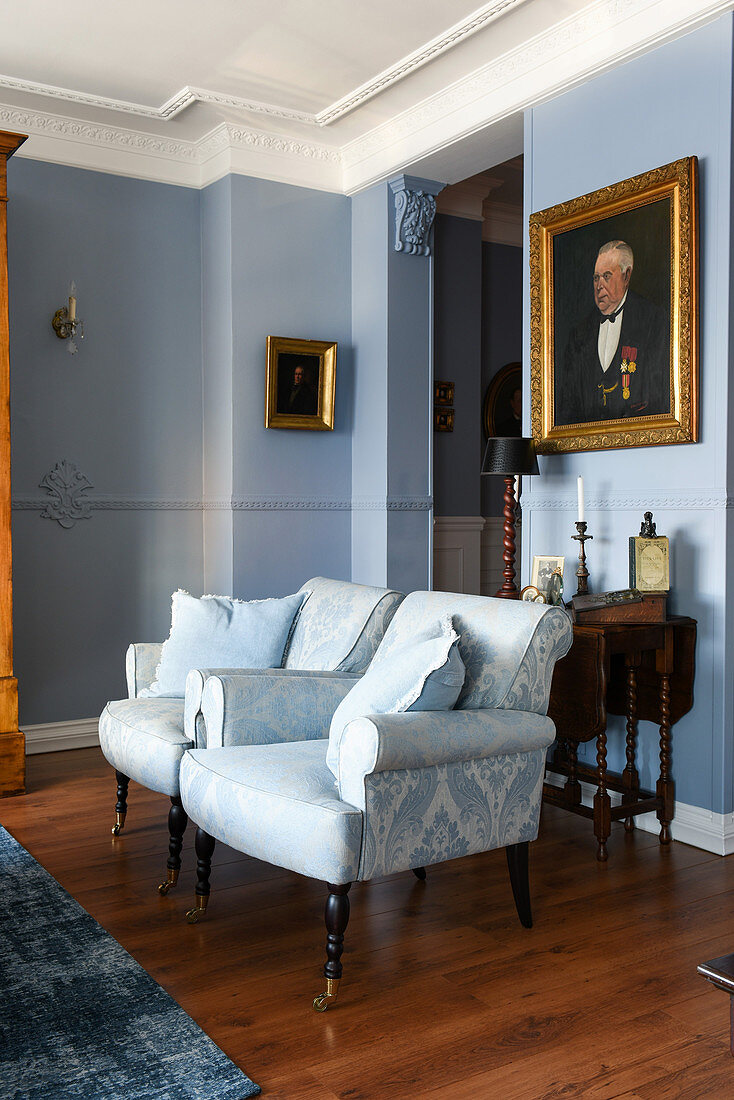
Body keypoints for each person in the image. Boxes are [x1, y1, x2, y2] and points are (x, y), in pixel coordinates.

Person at [558, 240, 669, 426]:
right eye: (596, 278)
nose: (599, 285)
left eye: (607, 276)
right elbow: (568, 403)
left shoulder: (652, 320)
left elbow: (659, 394)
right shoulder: (580, 333)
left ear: (626, 276)